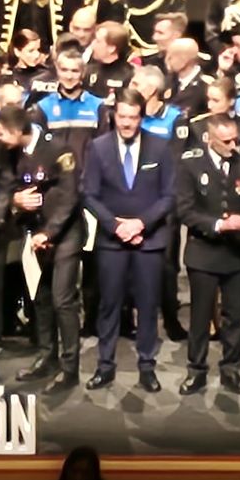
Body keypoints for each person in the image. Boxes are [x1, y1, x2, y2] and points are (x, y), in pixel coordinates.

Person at [77, 92, 178, 389]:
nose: (127, 123)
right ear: (113, 116)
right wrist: (114, 225)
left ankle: (147, 365)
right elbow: (89, 194)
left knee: (147, 305)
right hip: (112, 241)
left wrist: (140, 224)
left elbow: (169, 196)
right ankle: (105, 364)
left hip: (150, 240)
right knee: (109, 304)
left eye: (133, 118)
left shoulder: (160, 148)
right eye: (122, 117)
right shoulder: (97, 148)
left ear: (141, 118)